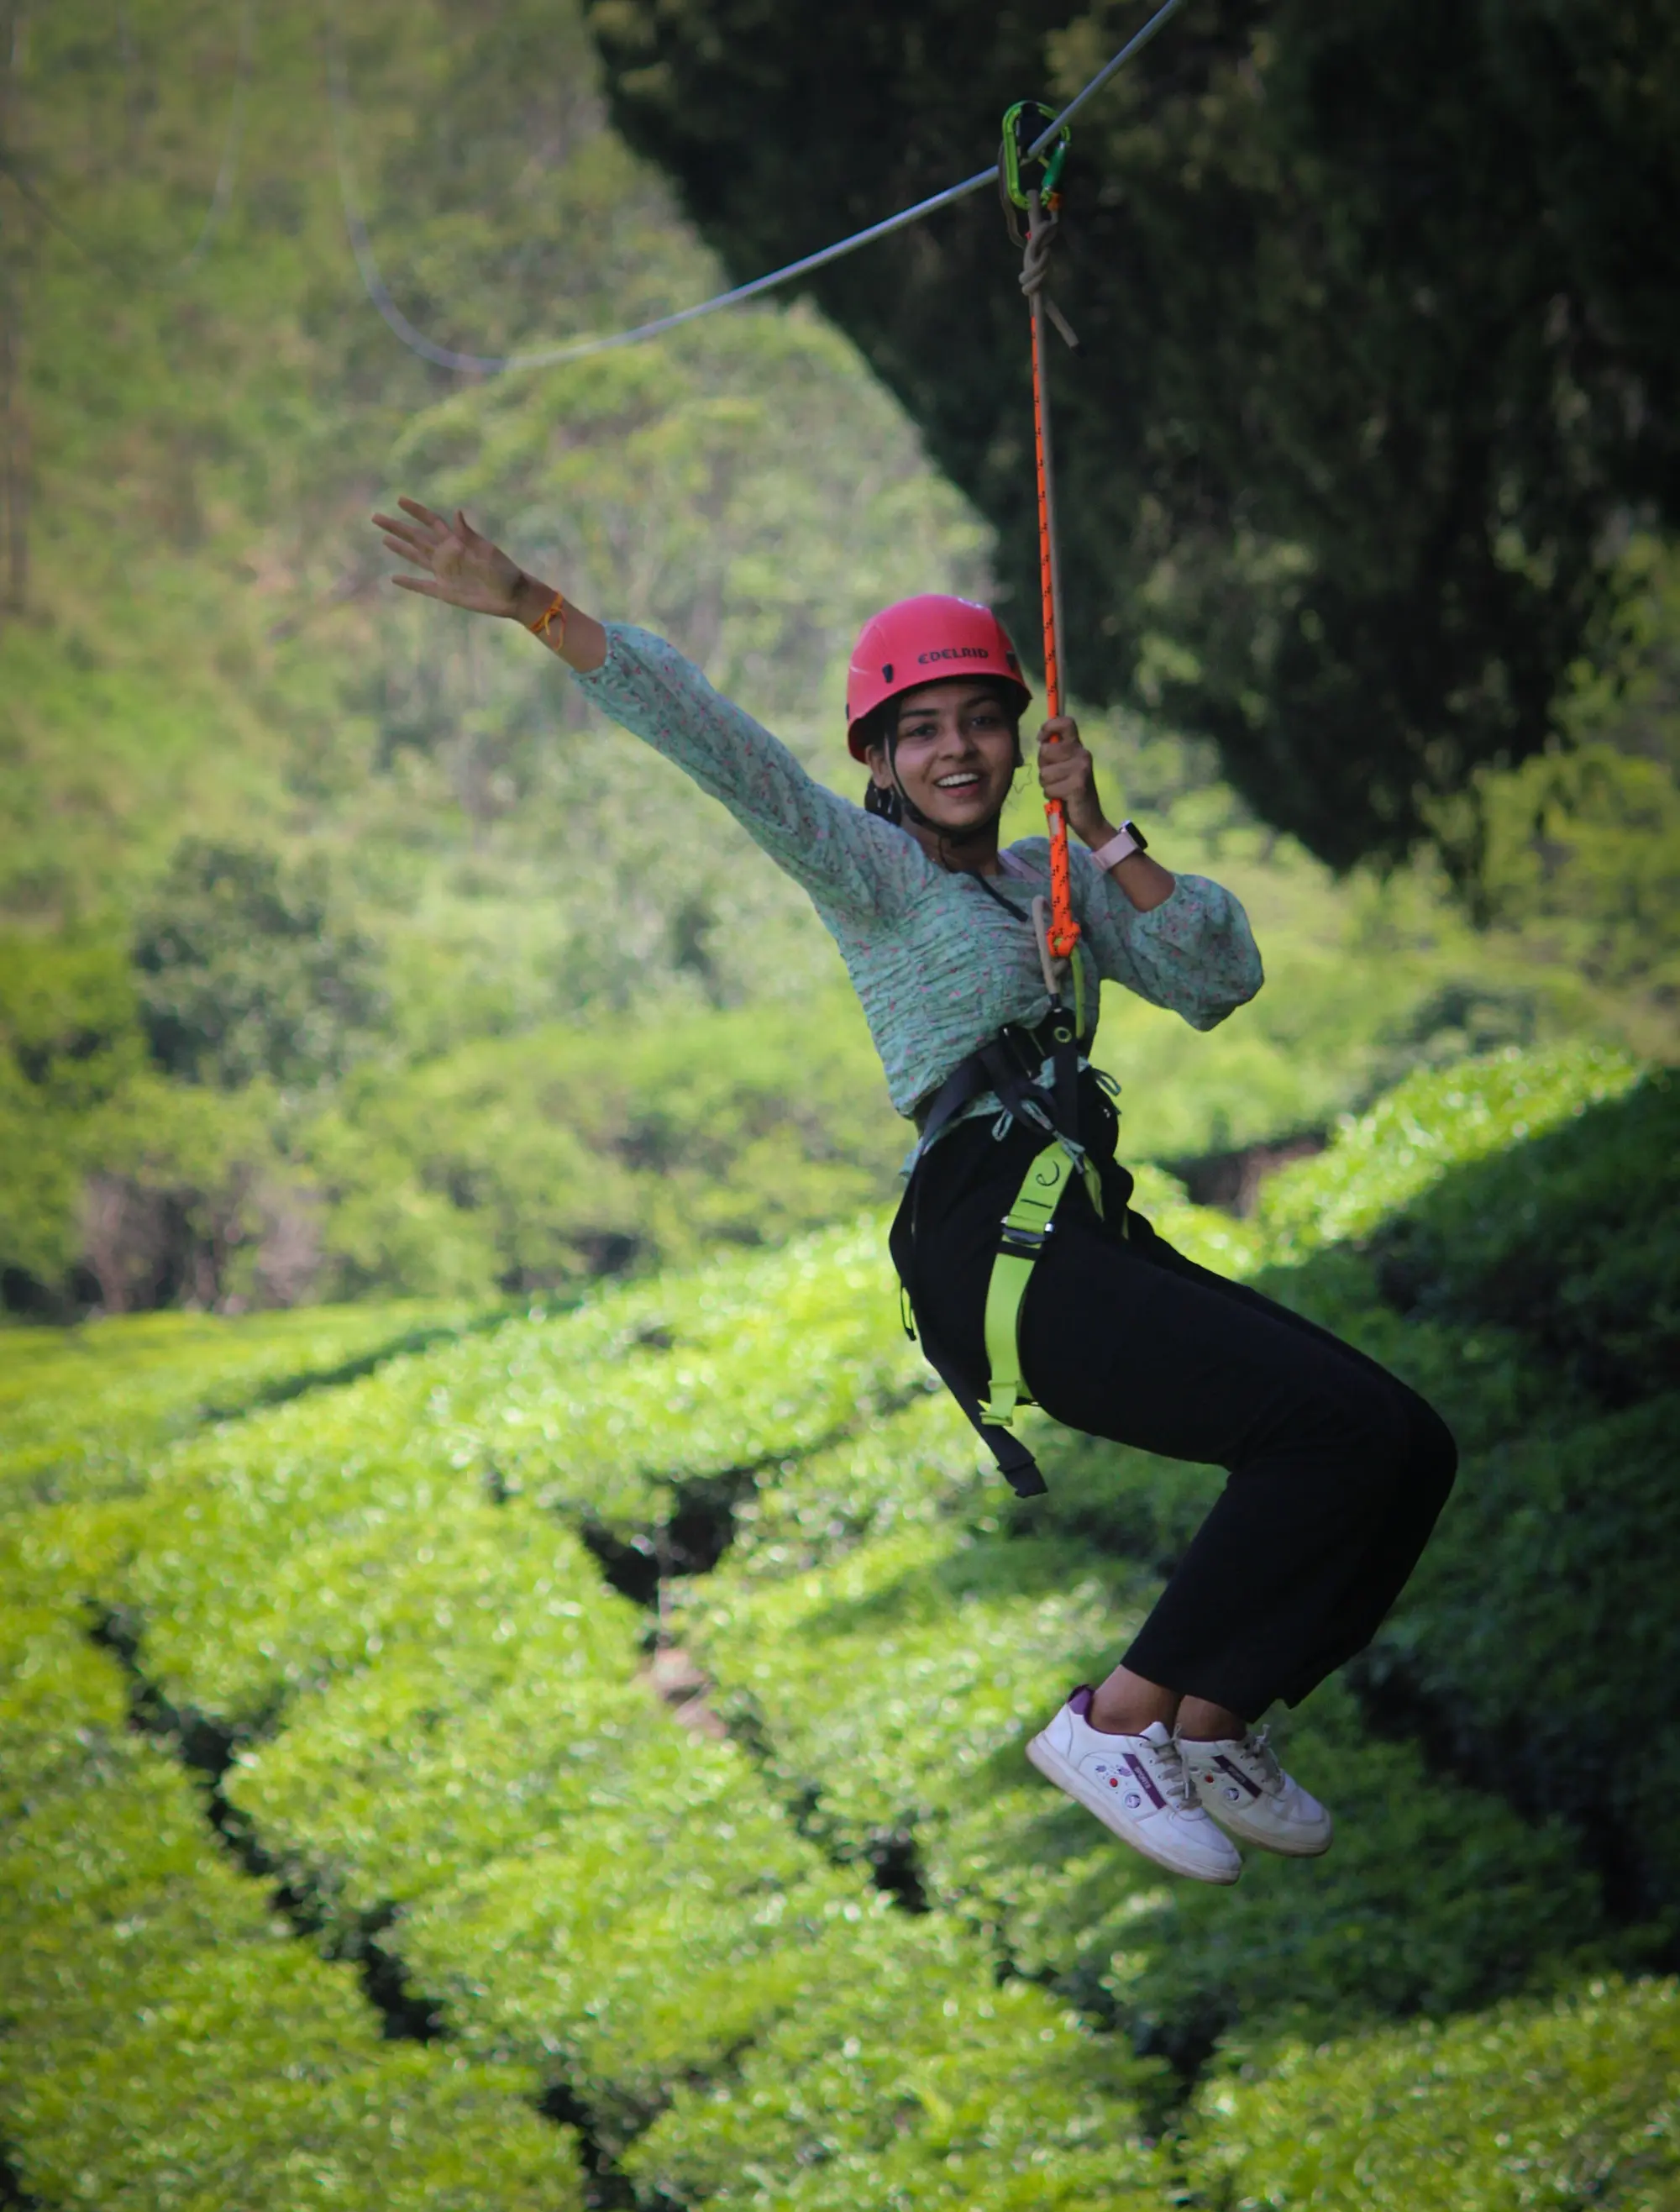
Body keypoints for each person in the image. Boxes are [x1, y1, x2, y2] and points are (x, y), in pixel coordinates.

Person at [373, 497, 1457, 1887]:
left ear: (1017, 741)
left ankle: (1217, 1713)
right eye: (922, 730)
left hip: (1084, 1231)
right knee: (1318, 1431)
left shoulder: (1052, 881)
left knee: (1401, 1441)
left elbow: (1217, 976)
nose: (957, 750)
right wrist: (535, 603)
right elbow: (718, 741)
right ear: (880, 760)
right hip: (999, 1248)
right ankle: (1120, 1716)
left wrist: (1102, 826)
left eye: (979, 723)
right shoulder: (874, 876)